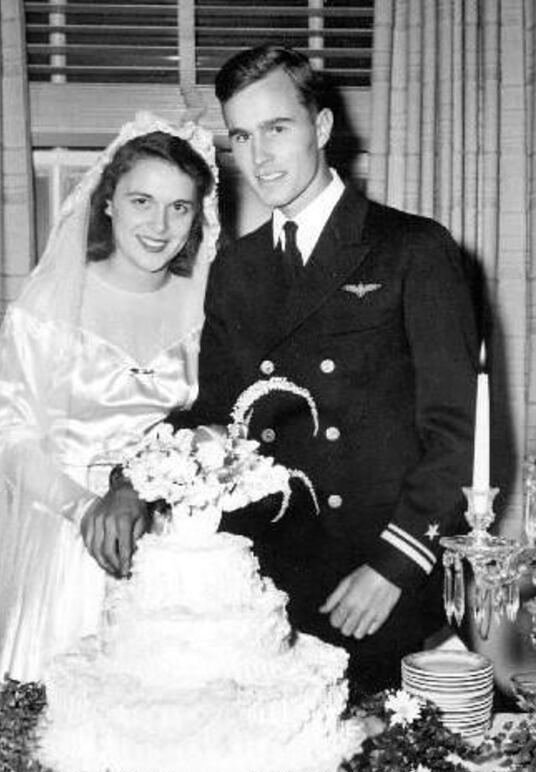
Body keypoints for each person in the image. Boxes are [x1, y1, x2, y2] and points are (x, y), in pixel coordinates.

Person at [159, 44, 478, 693]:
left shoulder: (412, 249)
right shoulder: (236, 268)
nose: (259, 155)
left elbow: (456, 435)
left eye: (277, 128)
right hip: (263, 586)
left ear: (323, 127)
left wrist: (395, 564)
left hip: (374, 585)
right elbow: (217, 412)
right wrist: (141, 467)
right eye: (242, 136)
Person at [0, 112, 219, 693]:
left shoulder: (207, 310)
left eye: (180, 207)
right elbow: (11, 440)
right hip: (69, 548)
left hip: (176, 553)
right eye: (142, 201)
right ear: (108, 203)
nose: (159, 224)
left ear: (197, 216)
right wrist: (85, 509)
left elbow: (218, 425)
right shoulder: (49, 307)